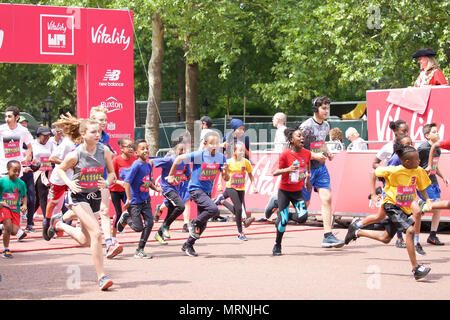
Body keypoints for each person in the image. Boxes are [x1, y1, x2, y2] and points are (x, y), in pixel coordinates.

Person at [346, 145, 432, 280]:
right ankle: (416, 268)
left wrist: (427, 199)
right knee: (410, 231)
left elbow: (421, 188)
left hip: (404, 208)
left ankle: (357, 231)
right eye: (417, 159)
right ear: (407, 162)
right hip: (392, 206)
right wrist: (373, 194)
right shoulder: (393, 170)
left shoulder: (419, 171)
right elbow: (372, 173)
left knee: (385, 238)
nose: (419, 161)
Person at [49, 118, 116, 290]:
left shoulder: (105, 151)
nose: (97, 135)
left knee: (85, 240)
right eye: (93, 132)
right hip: (78, 196)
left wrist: (107, 183)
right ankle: (102, 277)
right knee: (97, 233)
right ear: (83, 134)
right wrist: (70, 183)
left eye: (99, 132)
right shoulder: (75, 154)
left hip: (94, 195)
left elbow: (112, 173)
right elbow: (59, 169)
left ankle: (59, 224)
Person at [347, 134, 426, 255]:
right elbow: (376, 172)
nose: (411, 146)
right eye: (407, 144)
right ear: (400, 148)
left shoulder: (413, 159)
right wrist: (374, 194)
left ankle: (415, 242)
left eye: (412, 143)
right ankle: (357, 225)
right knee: (380, 217)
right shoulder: (395, 161)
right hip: (392, 197)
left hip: (405, 196)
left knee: (416, 213)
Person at [167, 131, 229, 257]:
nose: (214, 146)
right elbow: (178, 158)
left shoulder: (221, 157)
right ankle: (193, 222)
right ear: (205, 144)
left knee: (203, 225)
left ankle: (188, 245)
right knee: (213, 209)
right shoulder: (198, 155)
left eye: (217, 143)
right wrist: (171, 175)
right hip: (195, 189)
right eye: (212, 143)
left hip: (206, 192)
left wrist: (225, 171)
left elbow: (226, 178)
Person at [299, 96, 344, 248]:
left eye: (327, 108)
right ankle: (278, 202)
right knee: (303, 209)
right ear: (315, 109)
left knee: (327, 198)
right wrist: (312, 155)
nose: (326, 111)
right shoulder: (306, 126)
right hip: (306, 170)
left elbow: (322, 143)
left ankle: (328, 235)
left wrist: (327, 152)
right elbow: (296, 148)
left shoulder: (326, 125)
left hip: (321, 168)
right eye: (323, 108)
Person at [117, 139, 162, 259]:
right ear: (136, 153)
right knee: (138, 228)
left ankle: (140, 249)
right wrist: (129, 200)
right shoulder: (136, 165)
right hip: (135, 202)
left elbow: (148, 180)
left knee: (150, 223)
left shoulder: (148, 165)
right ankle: (126, 217)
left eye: (147, 148)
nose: (146, 150)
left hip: (146, 200)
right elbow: (127, 182)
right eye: (142, 149)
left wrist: (156, 188)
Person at [272, 128, 311, 255]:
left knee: (303, 217)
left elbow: (307, 165)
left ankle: (285, 214)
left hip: (297, 192)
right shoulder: (285, 154)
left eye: (303, 136)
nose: (302, 138)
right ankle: (277, 245)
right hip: (284, 191)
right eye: (298, 136)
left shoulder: (306, 153)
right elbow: (275, 172)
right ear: (291, 140)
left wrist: (307, 179)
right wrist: (288, 169)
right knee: (282, 222)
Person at [90, 107, 122, 259]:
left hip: (101, 178)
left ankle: (109, 243)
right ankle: (60, 221)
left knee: (104, 211)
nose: (103, 123)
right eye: (100, 120)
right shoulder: (84, 136)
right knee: (85, 214)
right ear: (92, 121)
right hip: (85, 179)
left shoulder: (106, 137)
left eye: (105, 120)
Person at [372, 119, 410, 248]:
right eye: (403, 131)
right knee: (396, 209)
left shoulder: (408, 145)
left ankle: (358, 226)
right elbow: (374, 163)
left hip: (405, 184)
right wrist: (386, 169)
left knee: (381, 216)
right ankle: (400, 238)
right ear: (395, 132)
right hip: (391, 185)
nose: (406, 133)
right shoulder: (388, 147)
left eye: (407, 131)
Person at [0, 106, 33, 241]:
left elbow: (30, 146)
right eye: (5, 117)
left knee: (13, 198)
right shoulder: (1, 129)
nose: (7, 119)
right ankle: (12, 228)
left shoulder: (23, 131)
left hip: (16, 169)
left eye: (9, 117)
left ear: (17, 117)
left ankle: (11, 227)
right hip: (2, 168)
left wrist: (27, 157)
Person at [45, 115, 79, 241]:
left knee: (76, 204)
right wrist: (66, 163)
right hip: (60, 177)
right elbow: (52, 158)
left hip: (73, 178)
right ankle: (47, 221)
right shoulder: (66, 144)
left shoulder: (79, 143)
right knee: (54, 202)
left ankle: (62, 225)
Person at [151, 139, 191, 244]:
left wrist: (182, 177)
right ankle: (165, 226)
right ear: (174, 150)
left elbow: (188, 176)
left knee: (170, 213)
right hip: (167, 189)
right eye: (180, 150)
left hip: (176, 189)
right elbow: (151, 162)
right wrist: (151, 177)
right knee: (181, 206)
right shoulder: (169, 160)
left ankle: (159, 234)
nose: (183, 152)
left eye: (184, 150)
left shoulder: (185, 162)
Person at [217, 141, 258, 241]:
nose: (241, 152)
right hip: (231, 187)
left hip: (241, 188)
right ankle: (240, 233)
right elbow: (222, 173)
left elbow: (250, 175)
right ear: (234, 151)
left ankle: (223, 201)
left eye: (242, 151)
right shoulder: (229, 162)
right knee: (239, 209)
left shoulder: (246, 162)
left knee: (238, 210)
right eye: (239, 150)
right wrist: (219, 183)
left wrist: (254, 186)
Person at [416, 123, 449, 245]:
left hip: (433, 181)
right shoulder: (423, 148)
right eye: (434, 132)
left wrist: (444, 177)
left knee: (438, 208)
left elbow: (434, 166)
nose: (438, 133)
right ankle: (417, 206)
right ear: (427, 136)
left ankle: (432, 235)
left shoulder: (438, 149)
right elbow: (414, 165)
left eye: (437, 131)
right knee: (436, 206)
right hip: (424, 183)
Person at [109, 138, 137, 241]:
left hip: (127, 190)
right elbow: (110, 177)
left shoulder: (135, 160)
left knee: (131, 211)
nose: (131, 149)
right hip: (115, 190)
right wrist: (119, 182)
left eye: (132, 146)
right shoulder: (116, 160)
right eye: (128, 146)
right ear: (121, 148)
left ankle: (123, 223)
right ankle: (113, 238)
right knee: (119, 212)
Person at [0, 160, 28, 258]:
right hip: (4, 207)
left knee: (14, 231)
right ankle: (6, 249)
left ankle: (1, 227)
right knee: (8, 227)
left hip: (15, 210)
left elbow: (24, 195)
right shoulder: (2, 181)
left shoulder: (21, 183)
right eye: (14, 170)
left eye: (19, 171)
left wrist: (24, 205)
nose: (17, 173)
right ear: (8, 169)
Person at [31, 126, 55, 232]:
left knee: (39, 198)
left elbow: (54, 156)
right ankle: (47, 221)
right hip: (36, 173)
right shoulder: (32, 144)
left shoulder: (51, 144)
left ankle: (28, 216)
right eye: (44, 135)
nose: (46, 138)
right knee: (42, 196)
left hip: (48, 172)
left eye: (48, 135)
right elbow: (28, 157)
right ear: (38, 135)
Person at [18, 116, 37, 233]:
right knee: (15, 199)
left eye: (25, 123)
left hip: (28, 174)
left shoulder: (31, 144)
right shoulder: (14, 142)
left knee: (31, 198)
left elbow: (35, 161)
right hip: (16, 174)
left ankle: (29, 224)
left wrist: (34, 165)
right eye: (21, 123)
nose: (24, 125)